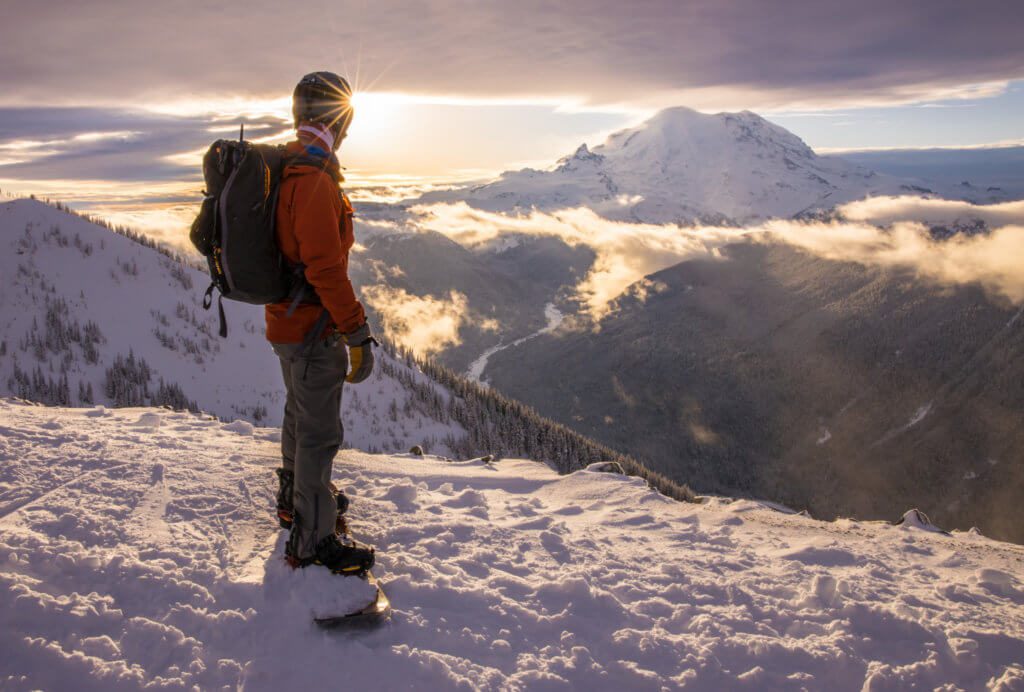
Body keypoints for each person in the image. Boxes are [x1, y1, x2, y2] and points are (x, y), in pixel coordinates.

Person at [267, 71, 376, 575]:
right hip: (312, 328)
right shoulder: (312, 182)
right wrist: (356, 331)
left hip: (287, 324)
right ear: (340, 122)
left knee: (298, 414)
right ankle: (311, 541)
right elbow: (326, 269)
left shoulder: (288, 172)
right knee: (318, 434)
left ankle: (296, 500)